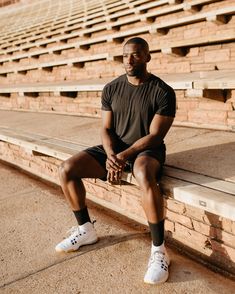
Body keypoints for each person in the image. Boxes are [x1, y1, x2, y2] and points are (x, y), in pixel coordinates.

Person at [56, 37, 176, 285]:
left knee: (143, 173)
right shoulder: (111, 88)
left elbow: (155, 135)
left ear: (147, 57)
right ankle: (86, 230)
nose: (129, 60)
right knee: (67, 169)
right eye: (125, 56)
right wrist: (111, 156)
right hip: (116, 151)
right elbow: (106, 129)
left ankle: (159, 250)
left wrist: (123, 156)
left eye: (136, 55)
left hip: (147, 150)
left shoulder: (163, 91)